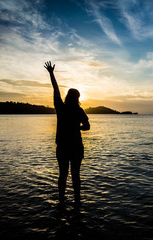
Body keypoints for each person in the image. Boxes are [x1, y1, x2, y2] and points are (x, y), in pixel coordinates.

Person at [44, 61, 90, 205]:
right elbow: (87, 127)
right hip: (76, 147)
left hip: (63, 147)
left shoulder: (60, 108)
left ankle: (61, 201)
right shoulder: (79, 110)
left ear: (67, 97)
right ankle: (77, 201)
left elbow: (55, 89)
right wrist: (78, 128)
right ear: (77, 98)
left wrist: (51, 73)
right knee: (75, 175)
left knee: (62, 175)